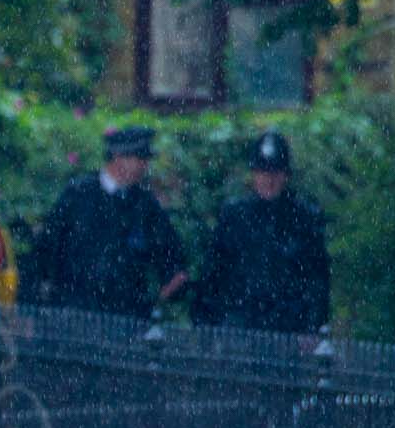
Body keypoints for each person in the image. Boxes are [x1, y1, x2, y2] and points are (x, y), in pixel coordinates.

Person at [28, 126, 188, 319]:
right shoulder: (78, 194)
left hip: (125, 315)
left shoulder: (146, 205)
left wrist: (158, 298)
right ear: (118, 157)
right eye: (139, 158)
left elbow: (170, 257)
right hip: (73, 309)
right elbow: (47, 247)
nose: (144, 166)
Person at [193, 131, 331, 333]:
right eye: (263, 172)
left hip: (289, 326)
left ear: (286, 175)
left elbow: (318, 277)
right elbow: (214, 272)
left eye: (275, 172)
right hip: (240, 323)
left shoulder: (304, 217)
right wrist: (206, 323)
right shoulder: (234, 215)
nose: (269, 180)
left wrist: (314, 325)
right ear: (254, 174)